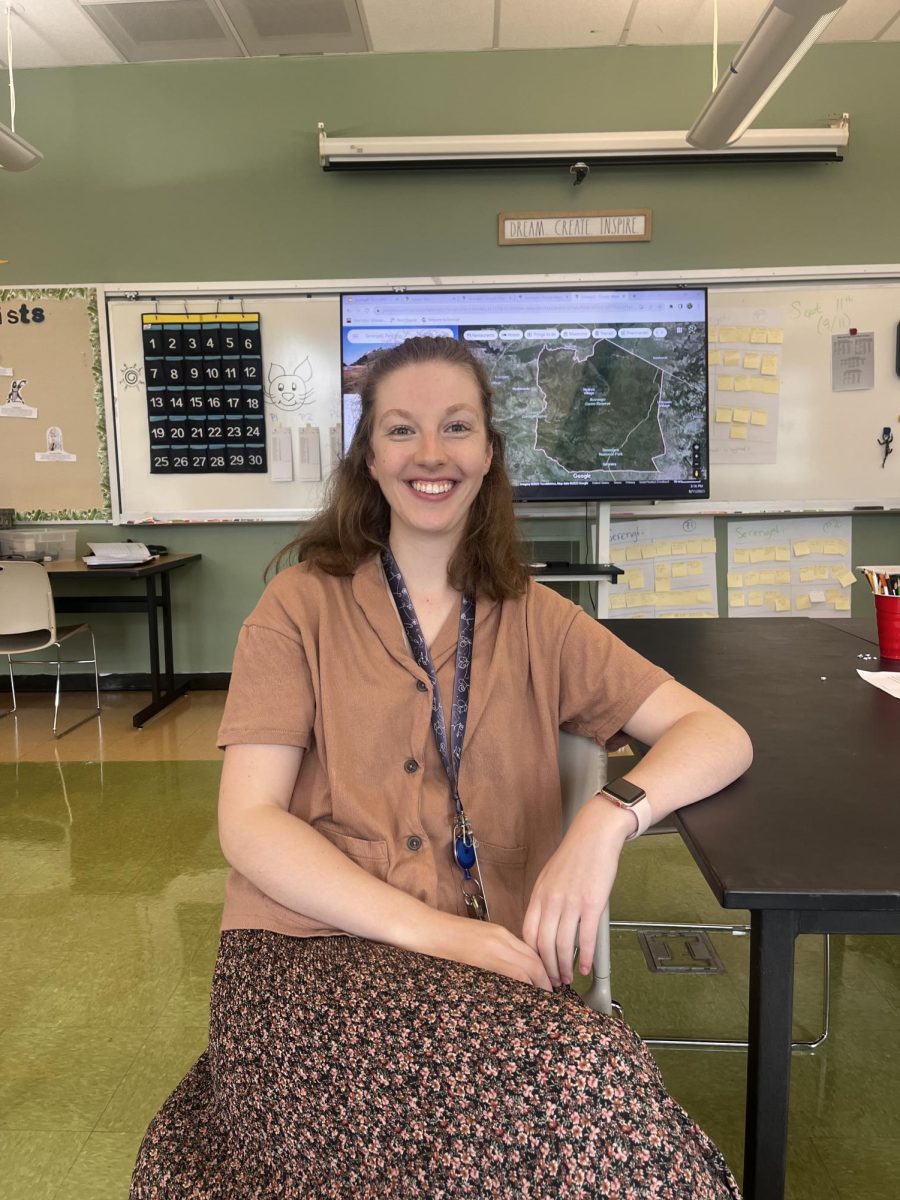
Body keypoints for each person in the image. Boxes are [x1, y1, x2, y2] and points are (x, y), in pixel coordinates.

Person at [132, 335, 753, 1199]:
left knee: (588, 1080)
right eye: (401, 430)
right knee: (581, 1081)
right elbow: (249, 823)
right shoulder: (297, 606)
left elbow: (715, 733)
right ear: (369, 457)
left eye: (456, 427)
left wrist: (609, 820)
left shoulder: (539, 618)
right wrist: (438, 934)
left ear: (489, 451)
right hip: (304, 963)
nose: (431, 454)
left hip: (486, 974)